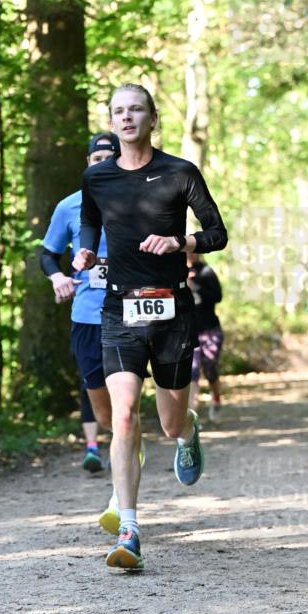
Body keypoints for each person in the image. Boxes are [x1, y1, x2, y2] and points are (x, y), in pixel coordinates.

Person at [73, 83, 228, 571]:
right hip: (118, 311)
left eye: (135, 109)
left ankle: (188, 432)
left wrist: (181, 241)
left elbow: (218, 233)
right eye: (118, 111)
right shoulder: (96, 177)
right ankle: (130, 528)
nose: (126, 118)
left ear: (152, 117)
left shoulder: (179, 172)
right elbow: (90, 223)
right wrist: (84, 250)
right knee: (122, 417)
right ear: (112, 119)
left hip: (172, 312)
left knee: (168, 422)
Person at [40, 132, 119, 476]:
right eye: (96, 159)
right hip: (88, 315)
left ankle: (125, 473)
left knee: (127, 401)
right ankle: (118, 440)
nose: (103, 164)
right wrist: (57, 277)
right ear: (87, 164)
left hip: (131, 312)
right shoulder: (68, 206)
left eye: (110, 157)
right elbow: (48, 255)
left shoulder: (142, 200)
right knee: (103, 409)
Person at [186, 254, 224, 421]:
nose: (191, 253)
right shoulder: (177, 269)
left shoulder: (206, 271)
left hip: (210, 329)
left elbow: (218, 296)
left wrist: (195, 286)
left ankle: (216, 398)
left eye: (194, 250)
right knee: (192, 371)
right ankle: (193, 415)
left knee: (209, 367)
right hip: (189, 331)